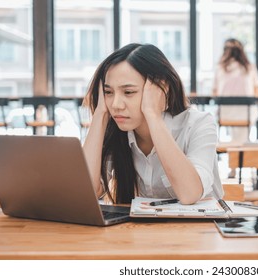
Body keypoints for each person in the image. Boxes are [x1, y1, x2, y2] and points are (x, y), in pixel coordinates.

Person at [83, 43, 223, 205]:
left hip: (202, 228)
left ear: (161, 89)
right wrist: (100, 115)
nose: (116, 104)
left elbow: (189, 193)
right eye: (108, 92)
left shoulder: (199, 124)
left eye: (128, 92)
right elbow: (86, 192)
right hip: (144, 229)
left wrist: (153, 115)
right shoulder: (116, 130)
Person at [213, 38, 258, 177]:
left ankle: (234, 169)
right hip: (245, 113)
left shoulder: (220, 68)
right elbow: (257, 90)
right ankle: (236, 168)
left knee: (235, 139)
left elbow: (215, 91)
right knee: (241, 139)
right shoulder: (249, 67)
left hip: (226, 113)